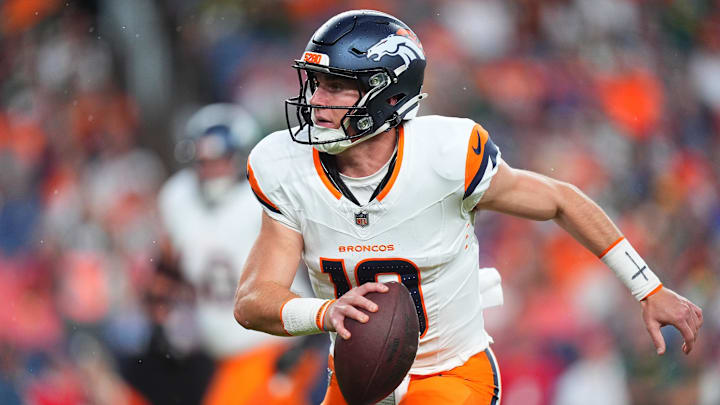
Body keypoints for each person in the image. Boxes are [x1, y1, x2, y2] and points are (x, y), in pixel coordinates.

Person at [233, 10, 703, 405]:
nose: (316, 101)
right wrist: (324, 313)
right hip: (358, 381)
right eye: (315, 84)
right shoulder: (286, 167)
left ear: (387, 94)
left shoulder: (447, 155)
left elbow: (561, 200)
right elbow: (253, 302)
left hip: (452, 374)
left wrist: (648, 287)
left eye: (335, 87)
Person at [158, 104, 326, 405]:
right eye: (204, 161)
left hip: (274, 347)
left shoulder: (261, 200)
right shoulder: (178, 198)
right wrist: (172, 313)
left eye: (220, 160)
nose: (211, 170)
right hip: (224, 356)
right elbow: (170, 267)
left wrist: (309, 341)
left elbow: (315, 266)